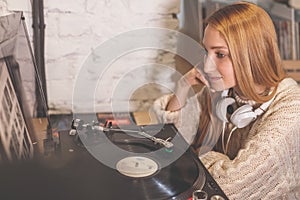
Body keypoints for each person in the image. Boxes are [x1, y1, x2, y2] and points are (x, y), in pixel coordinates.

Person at [152, 2, 300, 199]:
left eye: (220, 54)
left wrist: (200, 152)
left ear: (251, 55)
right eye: (206, 52)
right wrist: (182, 86)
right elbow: (168, 138)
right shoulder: (223, 90)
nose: (207, 66)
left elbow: (228, 186)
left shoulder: (291, 113)